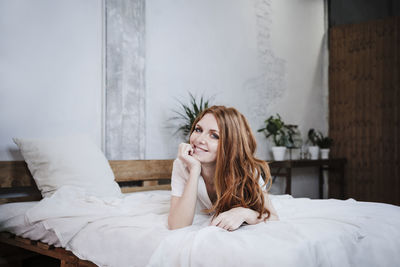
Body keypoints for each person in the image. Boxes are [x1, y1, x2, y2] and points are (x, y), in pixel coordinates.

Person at [168, 105, 279, 231]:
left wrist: (244, 213)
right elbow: (177, 225)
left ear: (230, 144)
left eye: (214, 136)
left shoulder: (245, 169)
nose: (199, 139)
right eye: (198, 129)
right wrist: (194, 170)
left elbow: (273, 216)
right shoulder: (182, 164)